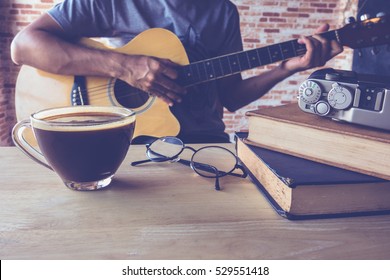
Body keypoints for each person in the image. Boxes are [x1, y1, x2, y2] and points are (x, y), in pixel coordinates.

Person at [11, 0, 343, 143]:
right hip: (128, 142)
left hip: (204, 143)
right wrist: (124, 66)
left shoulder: (221, 13)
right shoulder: (108, 3)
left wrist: (288, 67)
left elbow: (231, 98)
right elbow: (23, 46)